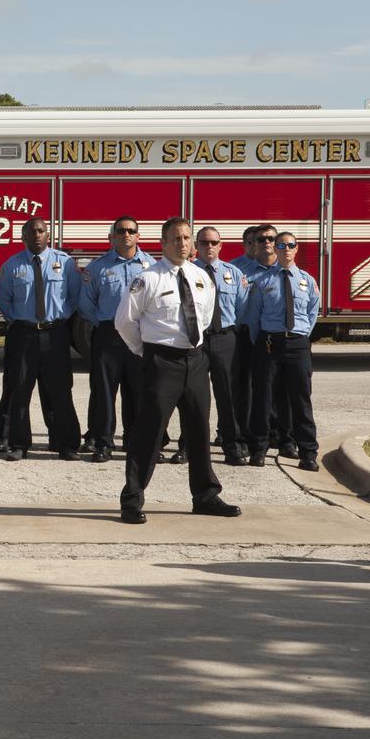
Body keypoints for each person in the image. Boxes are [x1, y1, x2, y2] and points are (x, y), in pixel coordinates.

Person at [114, 216, 243, 525]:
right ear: (162, 243)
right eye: (175, 238)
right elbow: (124, 322)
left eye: (186, 238)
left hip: (196, 361)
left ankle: (205, 495)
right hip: (162, 363)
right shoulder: (148, 279)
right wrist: (145, 351)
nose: (182, 244)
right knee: (149, 432)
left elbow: (206, 315)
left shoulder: (201, 277)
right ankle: (132, 499)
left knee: (199, 430)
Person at [0, 218, 82, 461]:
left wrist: (58, 320)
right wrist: (22, 322)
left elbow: (74, 297)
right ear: (23, 237)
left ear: (48, 234)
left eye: (41, 230)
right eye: (31, 231)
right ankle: (19, 444)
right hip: (23, 334)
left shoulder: (64, 263)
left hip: (55, 334)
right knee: (20, 388)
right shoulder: (12, 266)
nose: (37, 235)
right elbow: (3, 299)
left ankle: (65, 444)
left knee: (60, 390)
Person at [78, 216, 155, 463]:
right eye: (120, 231)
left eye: (131, 231)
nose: (126, 235)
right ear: (112, 236)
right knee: (103, 391)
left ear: (138, 236)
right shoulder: (97, 267)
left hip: (139, 335)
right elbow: (86, 304)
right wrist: (108, 323)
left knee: (139, 391)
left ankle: (136, 442)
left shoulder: (151, 267)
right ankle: (103, 443)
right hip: (108, 336)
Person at [242, 231, 321, 471]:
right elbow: (253, 317)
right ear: (275, 250)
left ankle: (308, 452)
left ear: (296, 249)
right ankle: (259, 448)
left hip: (297, 345)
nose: (286, 248)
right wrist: (266, 340)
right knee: (263, 399)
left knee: (301, 400)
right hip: (269, 344)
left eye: (291, 245)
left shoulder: (308, 281)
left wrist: (298, 337)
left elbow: (311, 314)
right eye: (281, 245)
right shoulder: (264, 282)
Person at [193, 226, 250, 465]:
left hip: (225, 337)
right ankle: (190, 446)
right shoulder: (185, 272)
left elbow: (242, 307)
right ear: (196, 245)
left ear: (221, 245)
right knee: (193, 396)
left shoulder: (233, 273)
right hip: (195, 339)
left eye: (213, 242)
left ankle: (232, 446)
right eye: (204, 242)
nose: (209, 247)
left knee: (228, 395)